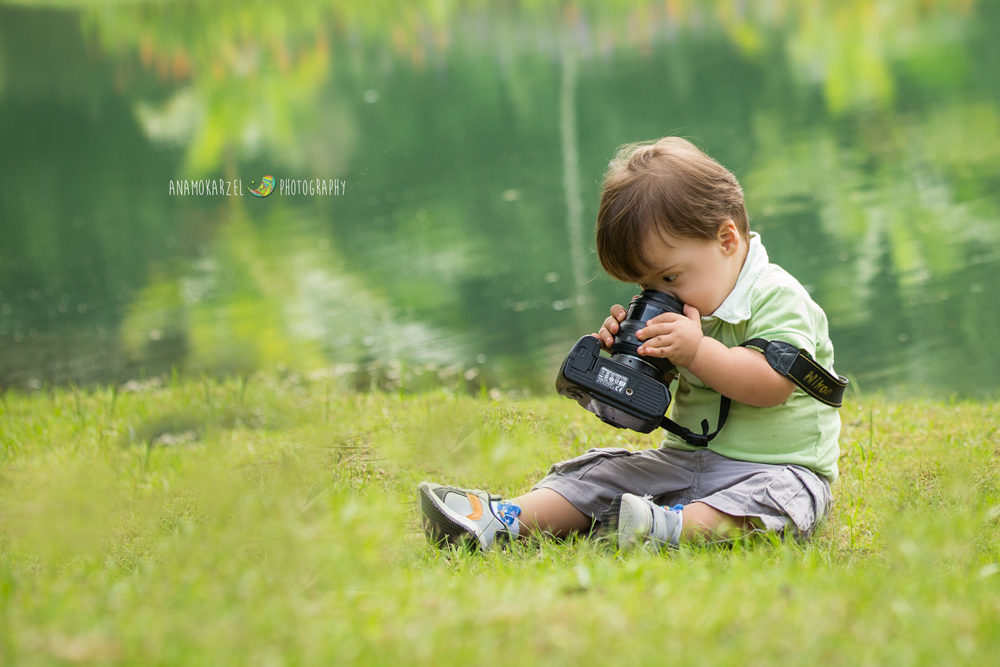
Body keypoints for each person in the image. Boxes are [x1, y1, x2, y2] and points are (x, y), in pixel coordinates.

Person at [417, 136, 841, 553]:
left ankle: (668, 527)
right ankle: (503, 518)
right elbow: (640, 410)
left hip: (775, 468)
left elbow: (773, 386)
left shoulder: (776, 296)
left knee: (777, 501)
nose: (660, 295)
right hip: (685, 464)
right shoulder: (692, 304)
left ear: (726, 240)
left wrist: (695, 352)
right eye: (645, 285)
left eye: (669, 277)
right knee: (605, 475)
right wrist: (623, 365)